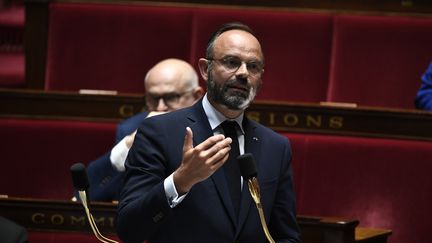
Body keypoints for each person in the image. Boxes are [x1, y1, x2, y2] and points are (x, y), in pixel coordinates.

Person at [117, 22, 300, 243]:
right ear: (205, 69)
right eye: (231, 62)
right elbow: (129, 229)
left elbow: (286, 236)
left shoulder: (276, 147)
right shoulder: (159, 132)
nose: (243, 73)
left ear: (260, 78)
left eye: (253, 66)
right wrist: (180, 180)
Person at [83, 58, 204, 201]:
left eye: (171, 97)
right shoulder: (131, 128)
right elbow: (91, 194)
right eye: (153, 98)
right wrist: (128, 145)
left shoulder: (211, 126)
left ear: (197, 95)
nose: (160, 107)